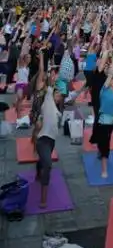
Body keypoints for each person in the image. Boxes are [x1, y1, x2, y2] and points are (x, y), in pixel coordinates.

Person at [31, 48, 63, 208]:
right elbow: (46, 76)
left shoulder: (57, 111)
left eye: (59, 95)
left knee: (43, 161)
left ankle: (38, 170)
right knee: (48, 164)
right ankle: (43, 198)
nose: (58, 95)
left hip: (50, 140)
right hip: (42, 136)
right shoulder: (46, 96)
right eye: (56, 93)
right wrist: (45, 59)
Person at [94, 52, 113, 178]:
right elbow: (109, 76)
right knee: (106, 146)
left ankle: (100, 149)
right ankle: (104, 170)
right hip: (103, 122)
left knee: (105, 142)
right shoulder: (104, 89)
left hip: (111, 123)